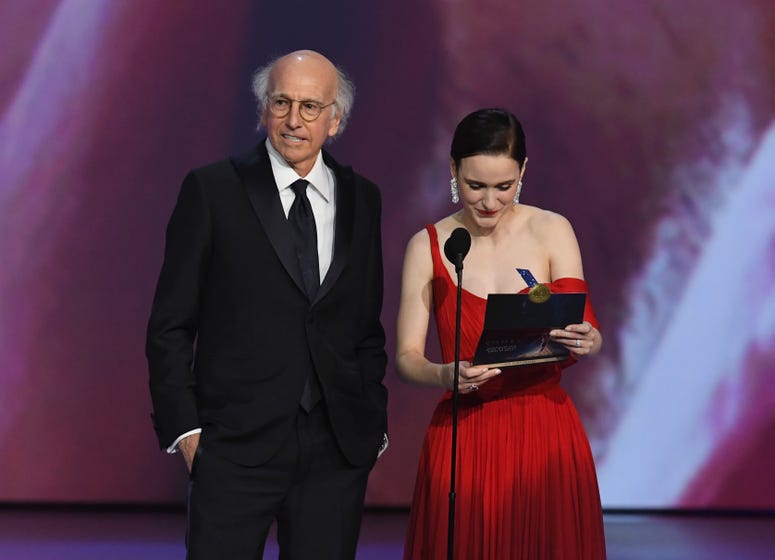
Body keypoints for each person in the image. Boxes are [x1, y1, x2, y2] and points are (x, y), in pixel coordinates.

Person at [146, 50, 388, 560]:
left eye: (309, 106)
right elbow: (170, 324)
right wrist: (186, 431)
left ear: (335, 119)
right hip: (233, 447)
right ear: (262, 110)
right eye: (281, 102)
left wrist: (372, 419)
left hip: (335, 450)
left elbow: (364, 323)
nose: (294, 120)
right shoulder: (212, 190)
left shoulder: (364, 198)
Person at [396, 108, 606, 559]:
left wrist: (590, 339)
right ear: (453, 170)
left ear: (523, 172)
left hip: (544, 434)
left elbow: (583, 327)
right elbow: (408, 357)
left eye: (503, 187)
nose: (490, 201)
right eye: (475, 186)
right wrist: (442, 374)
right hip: (465, 436)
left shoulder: (552, 230)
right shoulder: (428, 246)